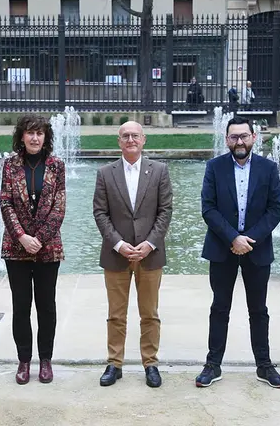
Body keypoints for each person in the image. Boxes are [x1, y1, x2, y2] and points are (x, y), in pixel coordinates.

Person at [195, 115, 280, 389]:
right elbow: (208, 208)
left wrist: (250, 239)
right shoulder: (214, 167)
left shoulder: (268, 169)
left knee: (258, 310)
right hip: (222, 249)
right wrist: (233, 237)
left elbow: (276, 208)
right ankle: (213, 364)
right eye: (234, 137)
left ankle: (264, 365)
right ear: (226, 140)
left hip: (257, 250)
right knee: (219, 308)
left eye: (244, 136)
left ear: (253, 138)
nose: (239, 141)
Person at [92, 121, 173, 388]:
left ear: (143, 139)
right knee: (116, 314)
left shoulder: (159, 171)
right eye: (125, 136)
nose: (130, 140)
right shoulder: (105, 173)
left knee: (149, 313)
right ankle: (114, 364)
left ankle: (150, 363)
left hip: (150, 255)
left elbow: (165, 211)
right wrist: (118, 244)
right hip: (117, 255)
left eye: (135, 135)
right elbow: (100, 213)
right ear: (119, 141)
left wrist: (150, 243)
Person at [0, 114, 66, 385]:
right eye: (30, 133)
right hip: (16, 249)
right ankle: (24, 361)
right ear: (22, 136)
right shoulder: (10, 165)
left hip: (48, 249)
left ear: (46, 137)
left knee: (46, 307)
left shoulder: (56, 165)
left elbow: (59, 207)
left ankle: (46, 360)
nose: (35, 138)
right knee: (21, 306)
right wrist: (23, 237)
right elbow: (5, 204)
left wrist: (38, 238)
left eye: (39, 133)